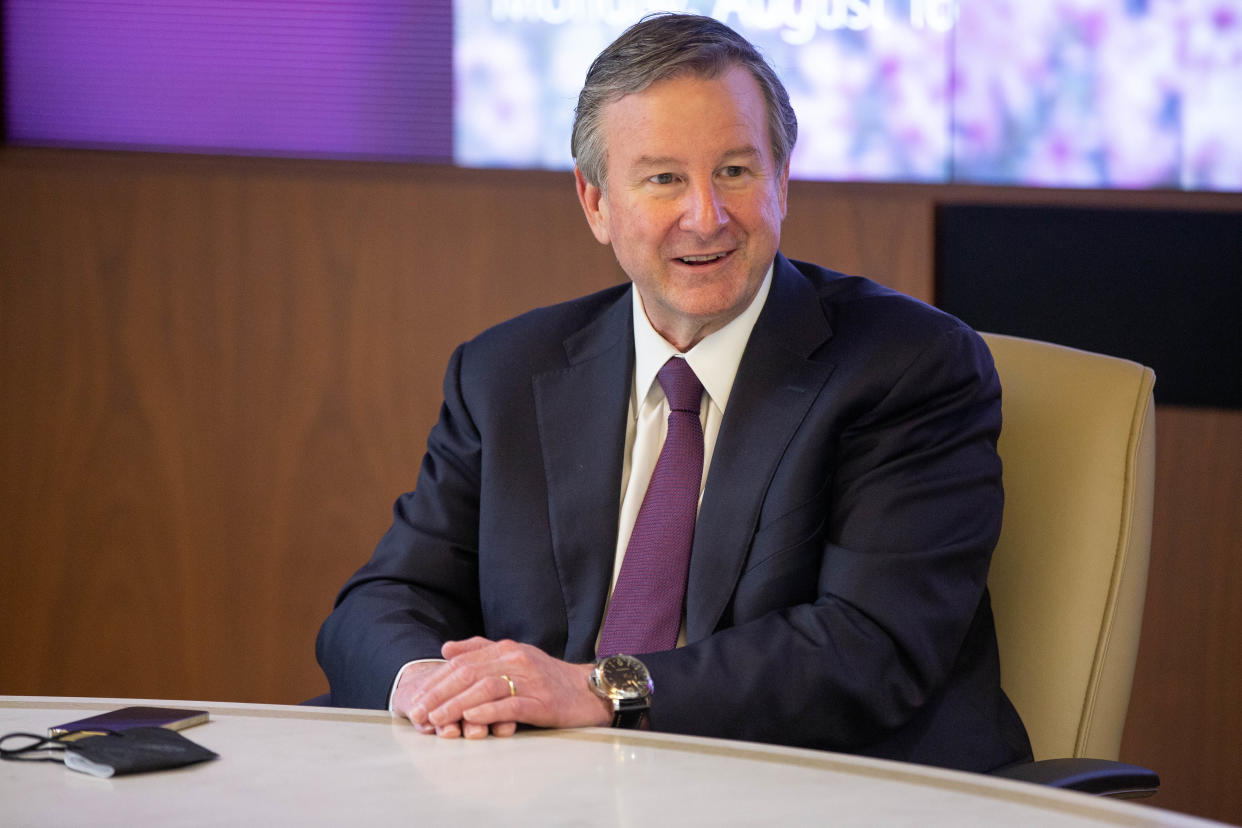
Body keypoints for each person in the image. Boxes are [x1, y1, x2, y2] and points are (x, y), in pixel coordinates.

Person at [316, 12, 1031, 772]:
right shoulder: (505, 374)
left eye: (735, 171)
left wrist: (599, 689)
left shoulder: (906, 366)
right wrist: (432, 686)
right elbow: (382, 601)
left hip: (814, 789)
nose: (706, 215)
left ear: (782, 181)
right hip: (548, 791)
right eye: (664, 178)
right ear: (596, 203)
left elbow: (868, 649)